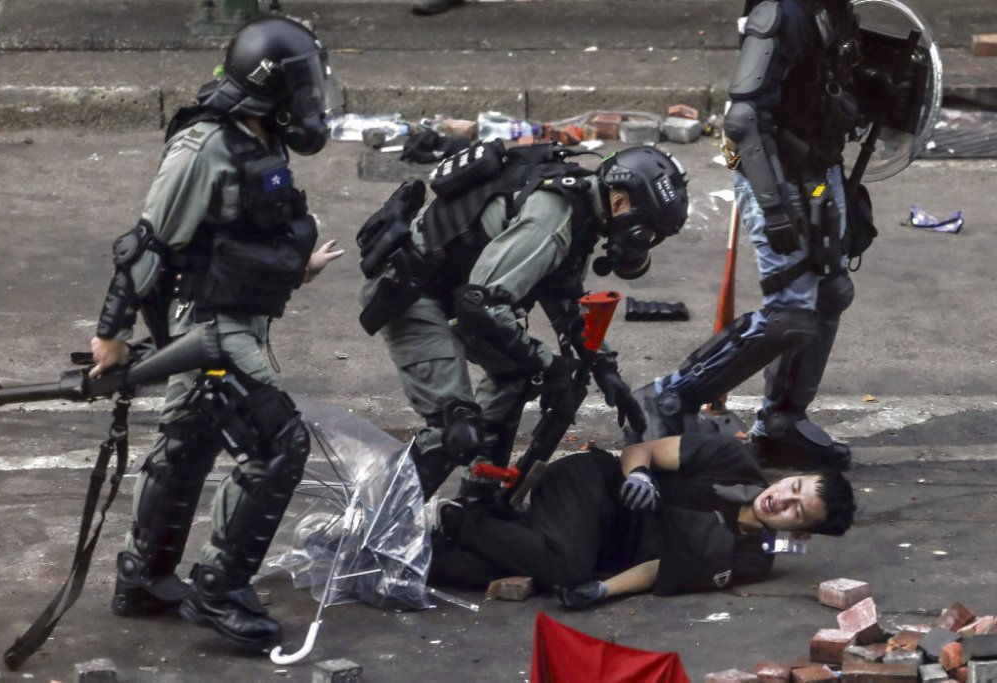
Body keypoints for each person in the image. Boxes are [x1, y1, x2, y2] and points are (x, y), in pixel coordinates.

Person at [88, 17, 344, 651]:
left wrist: (298, 265)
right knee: (278, 443)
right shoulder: (204, 145)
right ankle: (219, 590)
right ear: (268, 86)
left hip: (236, 317)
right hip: (210, 327)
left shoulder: (259, 136)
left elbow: (243, 234)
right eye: (301, 85)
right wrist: (111, 334)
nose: (311, 100)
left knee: (190, 437)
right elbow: (145, 243)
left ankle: (143, 576)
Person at [358, 142, 690, 500]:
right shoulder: (553, 215)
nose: (644, 245)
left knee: (514, 380)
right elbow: (479, 306)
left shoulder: (584, 209)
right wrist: (551, 368)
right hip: (413, 292)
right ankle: (368, 525)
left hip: (456, 291)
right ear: (622, 202)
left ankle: (476, 506)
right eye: (647, 232)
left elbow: (565, 295)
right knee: (455, 432)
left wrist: (606, 368)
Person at [639, 0, 876, 470]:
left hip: (817, 169)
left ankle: (783, 423)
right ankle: (666, 399)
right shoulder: (780, 12)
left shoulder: (835, 10)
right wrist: (774, 209)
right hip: (770, 172)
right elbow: (742, 121)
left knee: (829, 292)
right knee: (790, 314)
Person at [429, 432, 855, 606]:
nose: (781, 499)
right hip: (587, 485)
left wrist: (602, 590)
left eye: (796, 509)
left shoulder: (751, 560)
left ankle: (399, 554)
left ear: (800, 531)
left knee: (480, 570)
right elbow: (643, 449)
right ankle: (455, 518)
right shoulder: (731, 459)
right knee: (564, 567)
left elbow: (663, 569)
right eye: (793, 486)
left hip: (594, 545)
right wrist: (639, 474)